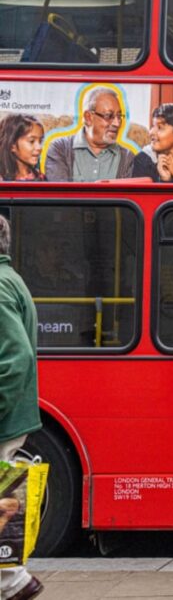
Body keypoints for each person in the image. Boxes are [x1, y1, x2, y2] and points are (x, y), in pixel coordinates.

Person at [0, 215, 44, 600]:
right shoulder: (10, 278)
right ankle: (12, 580)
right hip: (14, 416)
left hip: (4, 416)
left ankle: (13, 581)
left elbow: (16, 356)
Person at [43, 86, 135, 182]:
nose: (117, 123)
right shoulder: (60, 148)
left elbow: (124, 195)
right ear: (88, 118)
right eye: (108, 116)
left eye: (119, 116)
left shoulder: (127, 157)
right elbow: (59, 194)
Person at [0, 114, 46, 181]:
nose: (39, 147)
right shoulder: (2, 180)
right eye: (32, 141)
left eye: (40, 141)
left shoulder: (40, 178)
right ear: (12, 145)